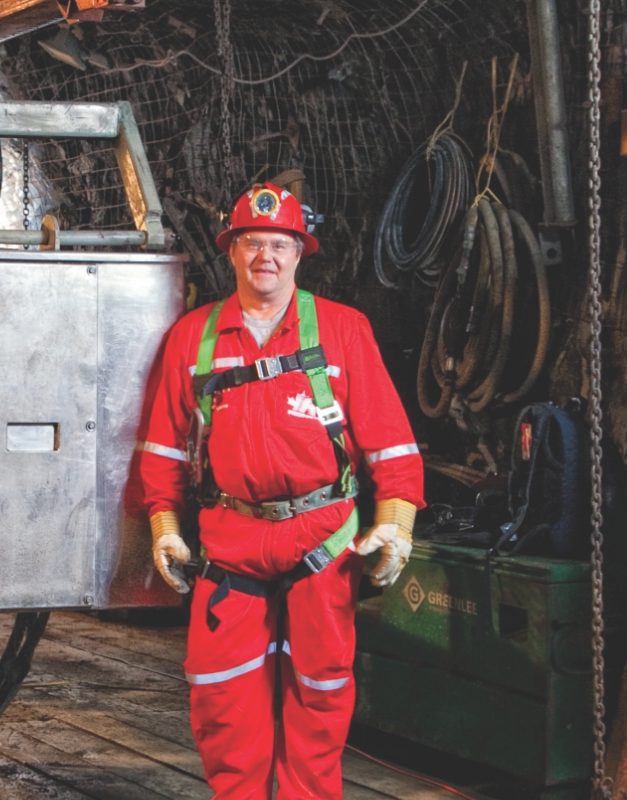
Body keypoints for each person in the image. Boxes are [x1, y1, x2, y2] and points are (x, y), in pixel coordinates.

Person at [133, 182, 424, 799]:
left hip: (323, 540)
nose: (265, 255)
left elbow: (390, 442)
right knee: (222, 696)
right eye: (251, 242)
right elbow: (162, 446)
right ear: (232, 251)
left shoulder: (343, 331)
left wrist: (395, 522)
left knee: (319, 695)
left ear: (299, 252)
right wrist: (165, 527)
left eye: (279, 243)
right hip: (230, 542)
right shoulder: (193, 339)